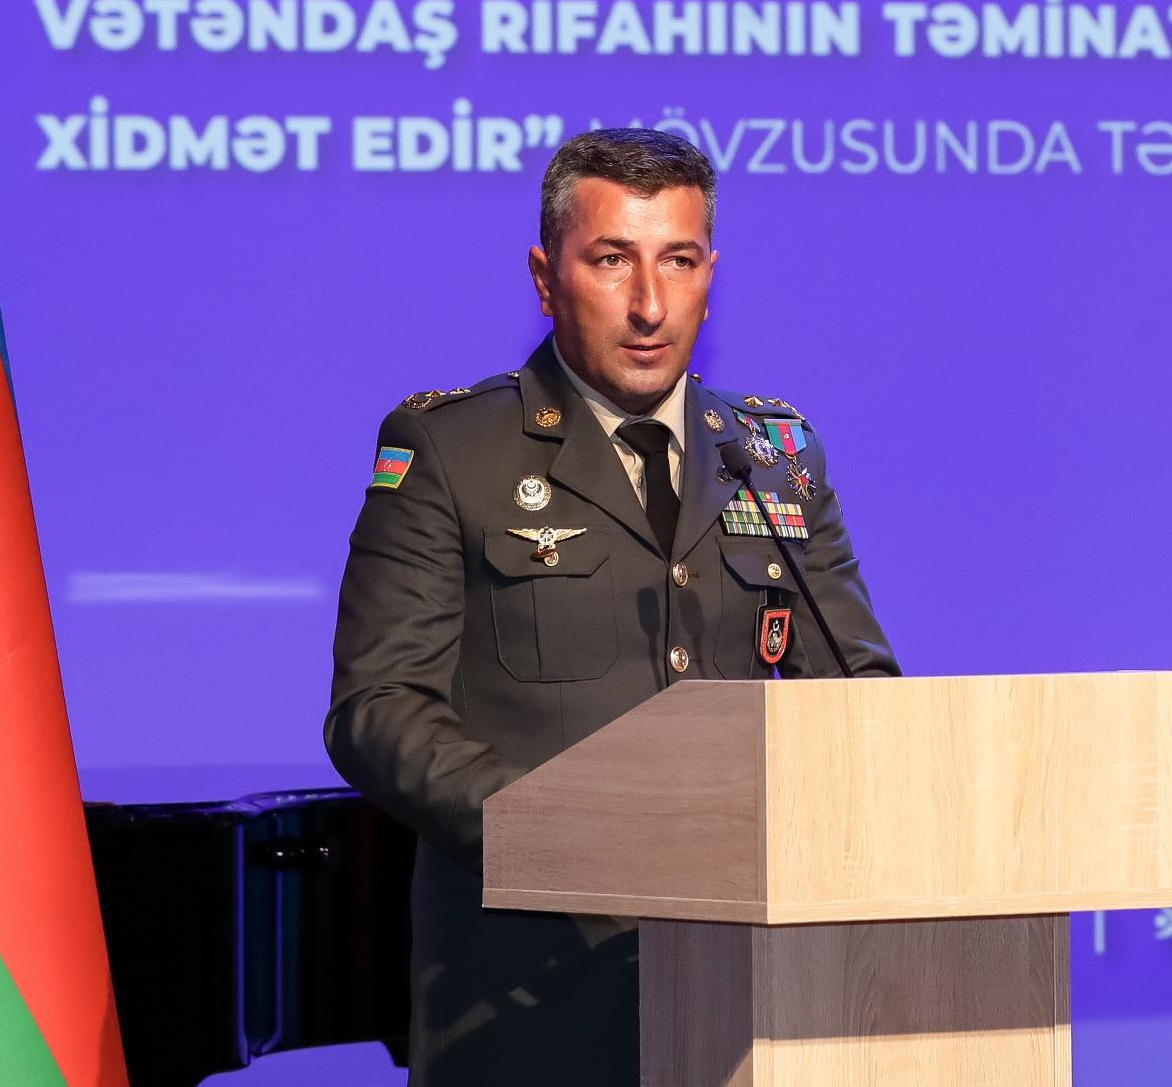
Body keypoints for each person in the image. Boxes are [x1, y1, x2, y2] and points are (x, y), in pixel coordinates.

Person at [325, 127, 898, 1086]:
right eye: (610, 260)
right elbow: (376, 710)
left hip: (757, 997)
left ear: (711, 276)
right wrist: (559, 832)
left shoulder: (774, 456)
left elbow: (858, 694)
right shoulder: (453, 450)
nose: (649, 305)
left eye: (678, 261)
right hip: (532, 1001)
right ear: (545, 280)